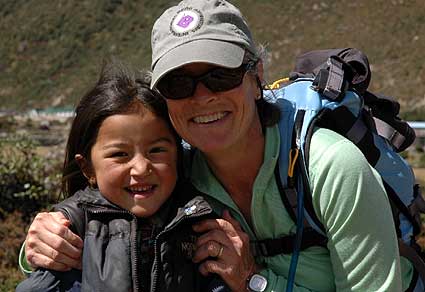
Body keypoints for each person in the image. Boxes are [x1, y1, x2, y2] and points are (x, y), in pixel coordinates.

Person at [21, 0, 414, 291]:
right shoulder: (174, 170)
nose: (202, 96)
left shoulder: (331, 167)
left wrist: (254, 281)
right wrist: (43, 242)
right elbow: (110, 231)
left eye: (221, 75)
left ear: (256, 75)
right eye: (179, 84)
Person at [16, 62, 229, 292]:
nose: (140, 168)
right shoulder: (72, 229)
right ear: (87, 169)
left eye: (156, 150)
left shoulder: (198, 220)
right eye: (120, 155)